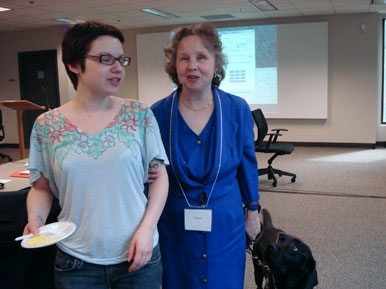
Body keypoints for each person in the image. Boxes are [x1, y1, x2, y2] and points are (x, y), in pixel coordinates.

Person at [23, 21, 169, 289]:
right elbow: (41, 188)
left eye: (121, 60)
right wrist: (36, 220)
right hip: (76, 261)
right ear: (74, 64)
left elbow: (160, 177)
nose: (117, 68)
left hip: (138, 255)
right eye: (105, 59)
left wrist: (148, 229)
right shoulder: (47, 125)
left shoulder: (139, 115)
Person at [150, 22, 261, 289]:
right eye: (184, 58)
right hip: (175, 223)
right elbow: (152, 173)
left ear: (216, 63)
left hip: (226, 219)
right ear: (174, 65)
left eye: (201, 57)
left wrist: (254, 210)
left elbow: (247, 164)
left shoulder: (236, 109)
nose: (192, 66)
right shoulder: (158, 113)